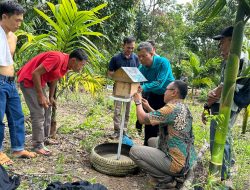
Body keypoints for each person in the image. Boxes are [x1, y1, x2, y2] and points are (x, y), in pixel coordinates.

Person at [17, 49, 88, 156]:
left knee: (47, 108)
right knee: (38, 113)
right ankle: (37, 145)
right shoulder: (57, 58)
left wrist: (51, 97)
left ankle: (44, 139)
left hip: (39, 82)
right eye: (81, 65)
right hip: (28, 80)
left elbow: (55, 78)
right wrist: (40, 95)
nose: (81, 68)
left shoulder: (66, 64)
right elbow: (35, 73)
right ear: (74, 60)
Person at [201, 26, 250, 180]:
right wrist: (209, 101)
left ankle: (223, 174)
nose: (220, 46)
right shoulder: (229, 60)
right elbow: (222, 85)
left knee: (219, 136)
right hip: (223, 103)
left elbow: (226, 87)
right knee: (223, 134)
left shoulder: (241, 61)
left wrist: (209, 102)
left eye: (222, 42)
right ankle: (229, 161)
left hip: (229, 104)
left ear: (233, 41)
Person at [130, 80, 197, 189]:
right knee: (152, 140)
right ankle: (169, 171)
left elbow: (142, 119)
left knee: (134, 151)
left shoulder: (171, 109)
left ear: (174, 92)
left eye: (166, 90)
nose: (164, 92)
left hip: (177, 164)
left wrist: (137, 102)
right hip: (186, 159)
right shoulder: (182, 107)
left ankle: (166, 179)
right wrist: (148, 108)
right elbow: (163, 119)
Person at [0, 1, 37, 165]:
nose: (19, 24)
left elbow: (9, 60)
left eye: (21, 20)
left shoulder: (14, 37)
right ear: (4, 17)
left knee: (17, 115)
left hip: (10, 82)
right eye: (17, 20)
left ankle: (18, 148)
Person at [137, 42, 175, 145]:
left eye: (144, 56)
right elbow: (136, 81)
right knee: (150, 121)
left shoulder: (163, 62)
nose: (141, 59)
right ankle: (147, 145)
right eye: (139, 56)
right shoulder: (141, 68)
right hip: (153, 95)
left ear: (152, 53)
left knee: (165, 123)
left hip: (168, 96)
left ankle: (166, 148)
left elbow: (159, 83)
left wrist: (143, 87)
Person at [108, 36, 140, 138]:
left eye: (132, 48)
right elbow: (110, 72)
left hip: (130, 90)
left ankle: (124, 131)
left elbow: (138, 72)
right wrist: (118, 75)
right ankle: (117, 131)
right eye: (128, 47)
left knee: (127, 111)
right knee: (117, 110)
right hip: (118, 88)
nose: (130, 50)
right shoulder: (115, 58)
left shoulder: (136, 58)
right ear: (123, 46)